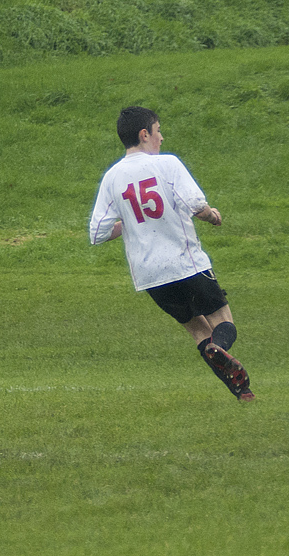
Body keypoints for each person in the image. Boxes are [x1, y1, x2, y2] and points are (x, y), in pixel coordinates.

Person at [89, 106, 255, 401]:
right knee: (222, 321)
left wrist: (126, 222)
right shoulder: (167, 164)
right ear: (144, 134)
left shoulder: (112, 177)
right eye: (158, 130)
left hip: (150, 275)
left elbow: (97, 232)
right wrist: (212, 215)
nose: (161, 138)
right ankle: (222, 350)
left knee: (198, 332)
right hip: (185, 262)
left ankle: (241, 390)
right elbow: (194, 203)